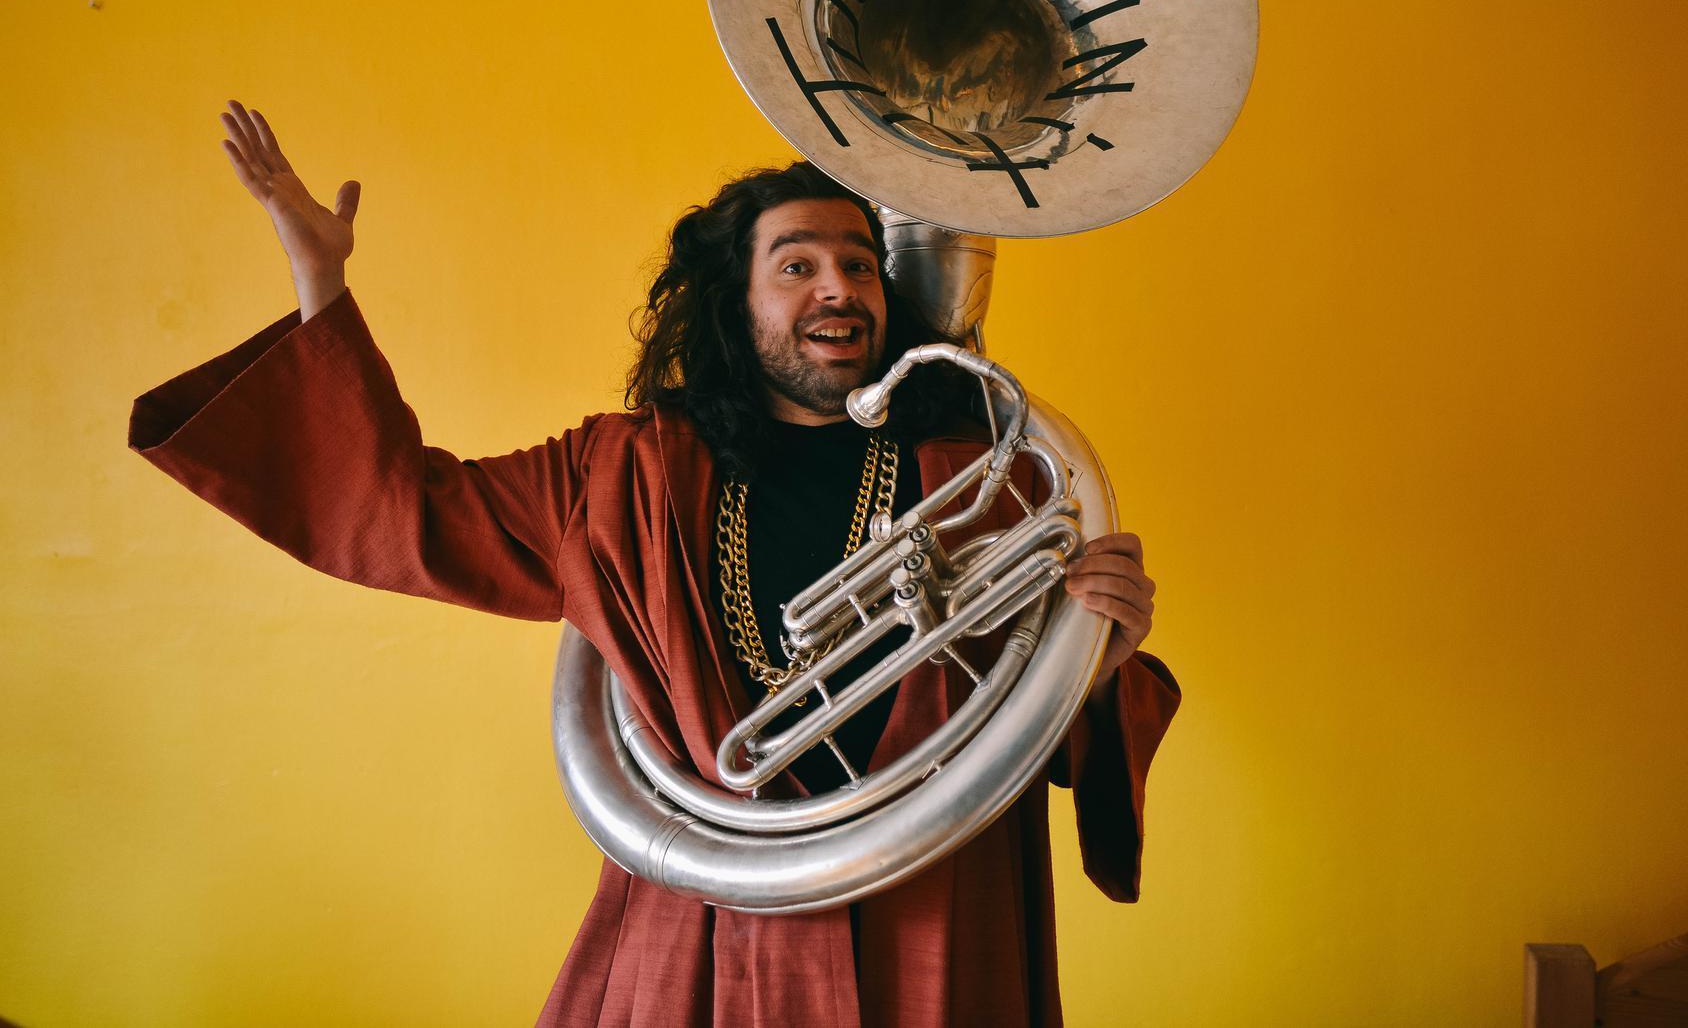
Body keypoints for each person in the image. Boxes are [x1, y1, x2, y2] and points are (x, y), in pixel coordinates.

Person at [130, 101, 1180, 1027]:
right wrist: (320, 277)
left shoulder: (993, 474)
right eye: (798, 265)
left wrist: (1096, 666)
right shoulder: (621, 468)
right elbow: (400, 510)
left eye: (861, 264)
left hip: (938, 916)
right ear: (735, 303)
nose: (839, 289)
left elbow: (1041, 722)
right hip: (710, 928)